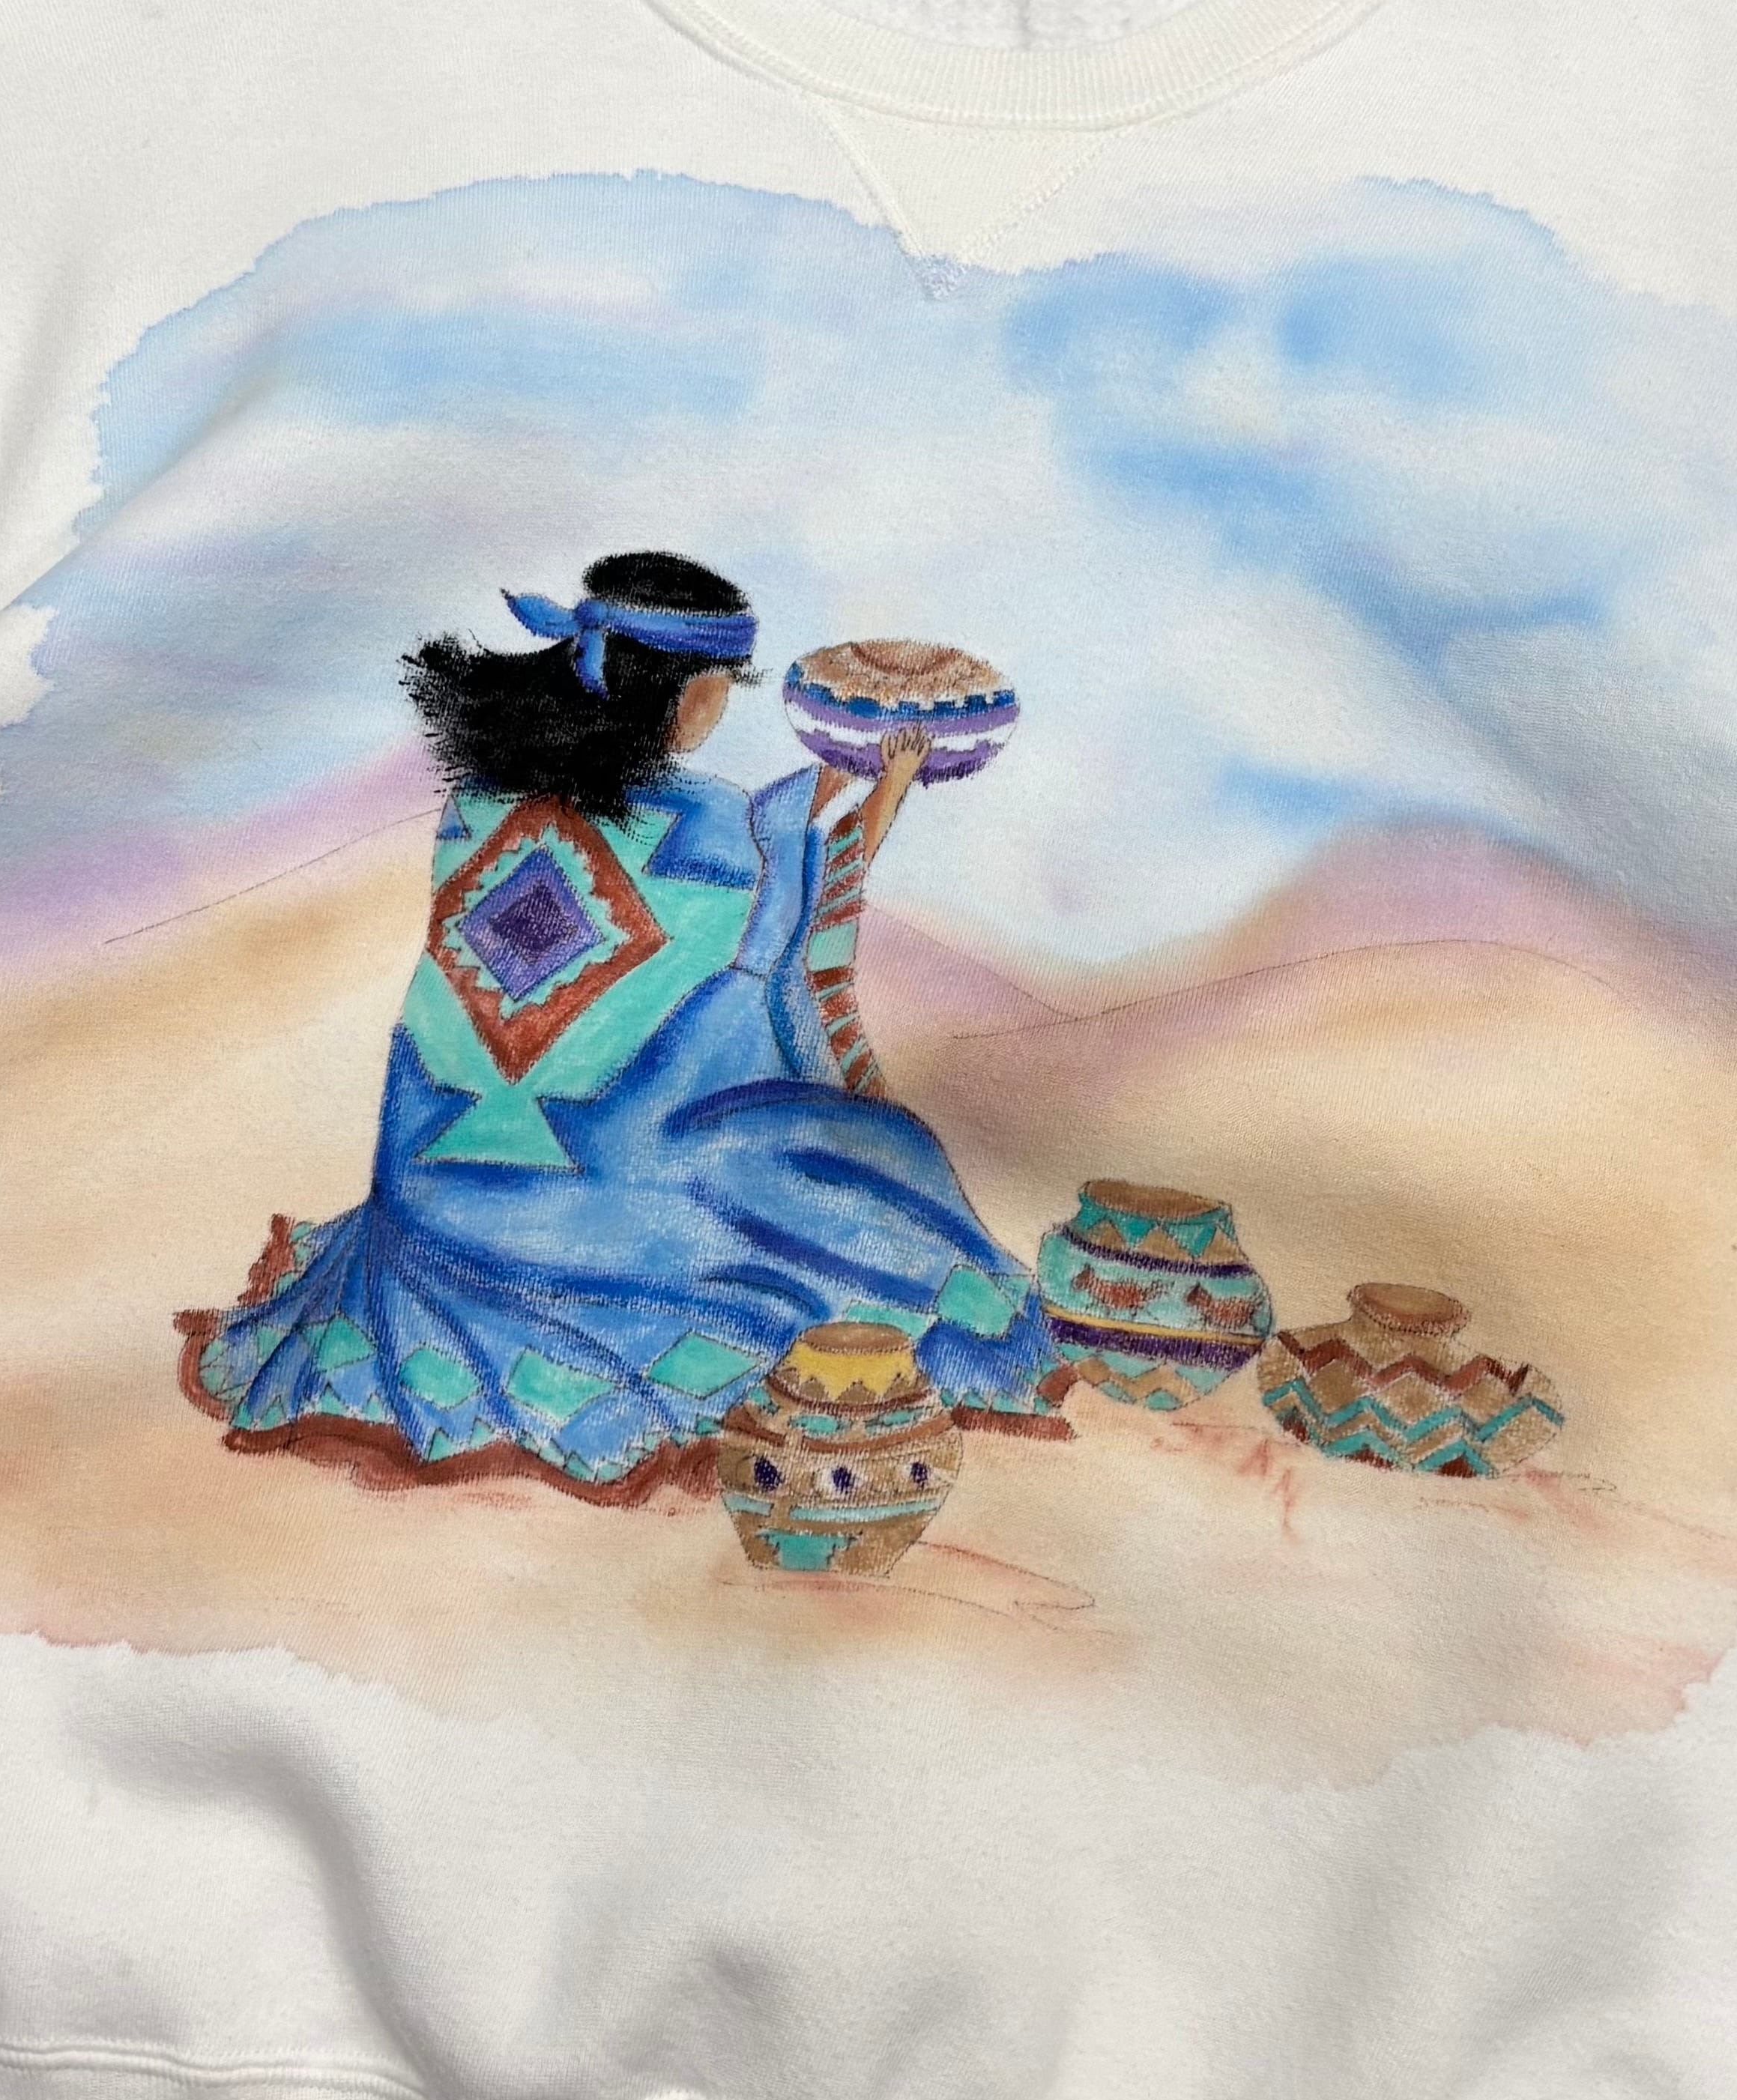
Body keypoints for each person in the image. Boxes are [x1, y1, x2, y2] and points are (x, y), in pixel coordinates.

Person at [177, 550, 1071, 1496]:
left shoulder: (476, 805)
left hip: (433, 1195)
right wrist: (888, 785)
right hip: (610, 1196)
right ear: (682, 699)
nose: (718, 709)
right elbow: (798, 916)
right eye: (718, 689)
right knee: (886, 1165)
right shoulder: (714, 828)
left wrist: (842, 783)